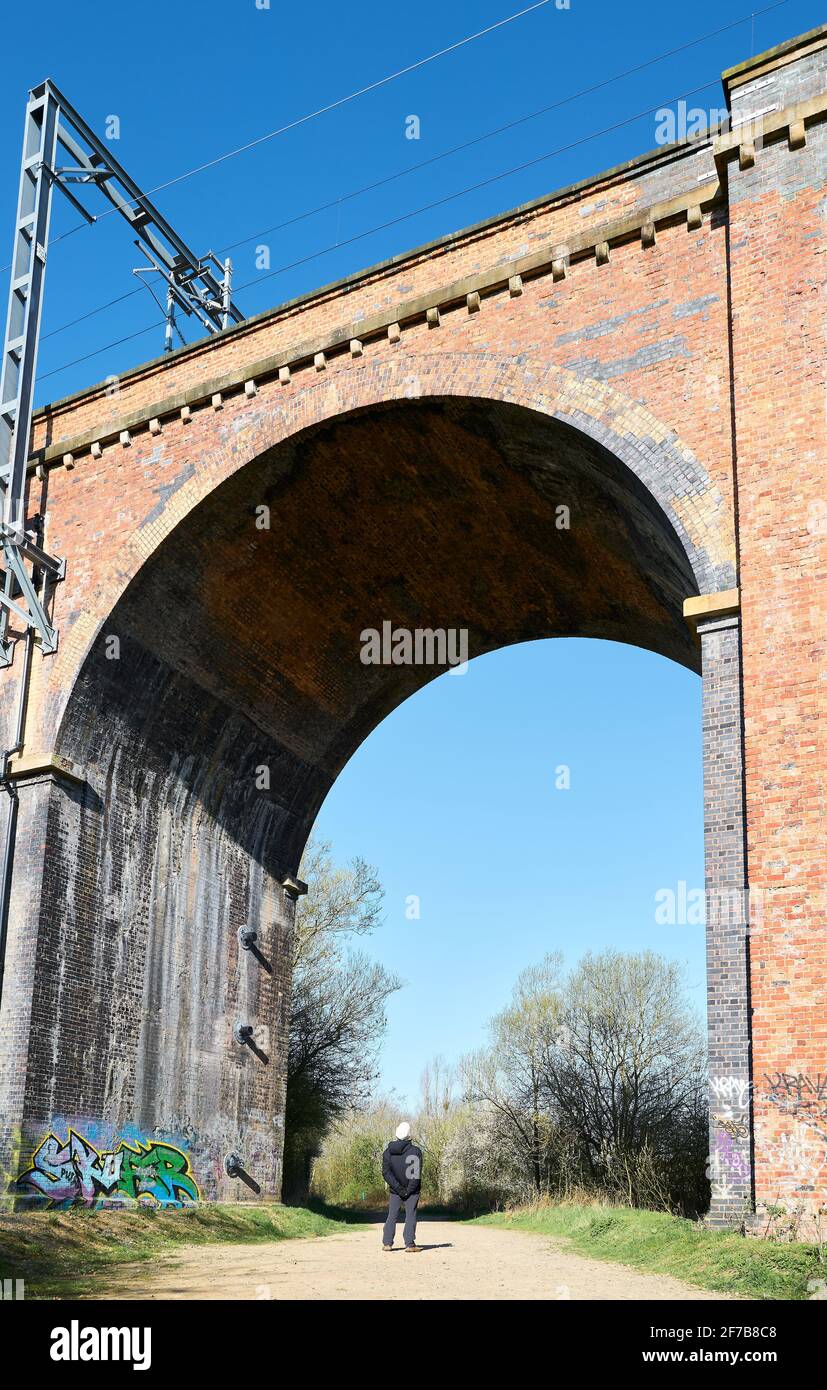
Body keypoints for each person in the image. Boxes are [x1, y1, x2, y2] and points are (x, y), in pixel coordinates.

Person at [381, 1121, 423, 1252]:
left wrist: (398, 1188)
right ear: (409, 1135)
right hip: (412, 1191)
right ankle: (410, 1244)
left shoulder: (387, 1152)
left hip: (395, 1191)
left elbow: (386, 1173)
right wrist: (408, 1191)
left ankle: (387, 1243)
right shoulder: (415, 1151)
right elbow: (414, 1174)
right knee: (410, 1215)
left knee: (392, 1215)